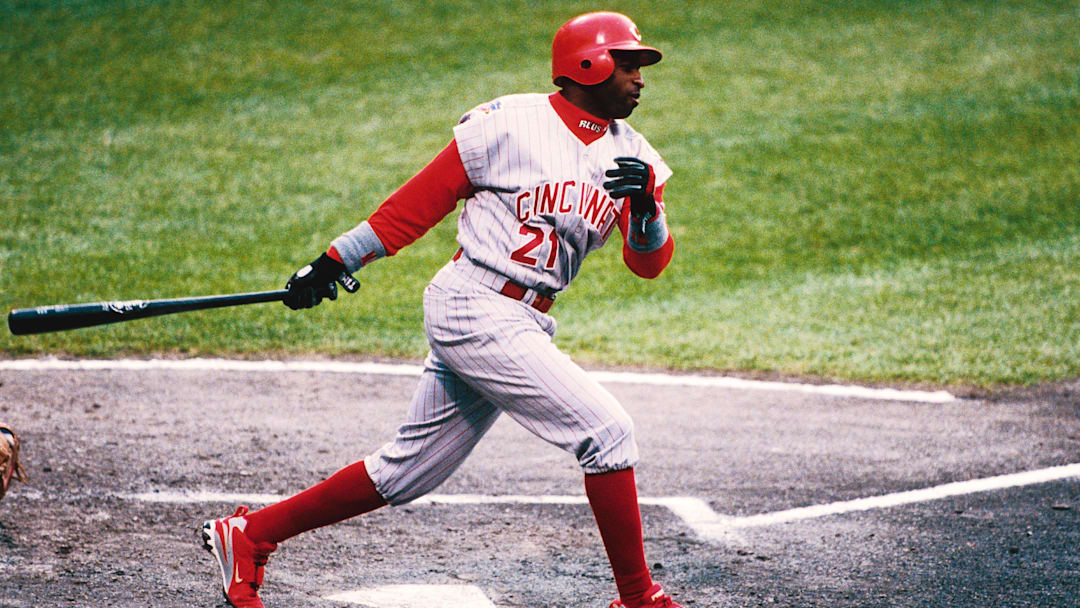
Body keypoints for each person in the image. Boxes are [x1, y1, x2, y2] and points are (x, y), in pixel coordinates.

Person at [200, 11, 681, 608]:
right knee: (608, 434)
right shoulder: (510, 124)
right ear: (590, 64)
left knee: (405, 474)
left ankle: (249, 533)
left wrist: (646, 209)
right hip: (473, 304)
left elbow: (649, 264)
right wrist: (332, 262)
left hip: (525, 319)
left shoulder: (636, 160)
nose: (640, 78)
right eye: (629, 64)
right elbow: (416, 206)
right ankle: (639, 599)